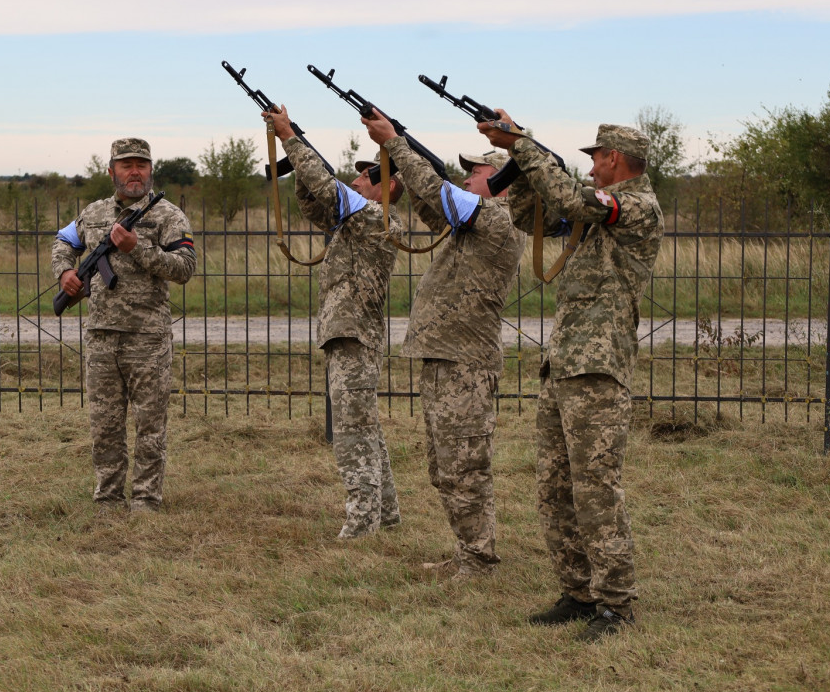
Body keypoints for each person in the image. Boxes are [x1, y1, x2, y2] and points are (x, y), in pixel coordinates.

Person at [478, 115, 663, 641]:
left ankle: (617, 605)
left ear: (616, 160)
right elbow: (530, 216)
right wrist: (519, 161)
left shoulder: (636, 207)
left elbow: (571, 203)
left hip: (598, 372)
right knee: (555, 487)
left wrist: (526, 145)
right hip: (564, 365)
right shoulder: (598, 208)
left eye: (596, 156)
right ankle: (578, 592)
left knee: (596, 489)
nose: (590, 164)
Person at [360, 109, 527, 577]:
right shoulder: (471, 222)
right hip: (444, 358)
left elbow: (438, 193)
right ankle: (467, 552)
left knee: (464, 464)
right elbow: (432, 202)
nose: (465, 178)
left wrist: (396, 144)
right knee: (445, 465)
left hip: (465, 364)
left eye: (475, 172)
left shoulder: (499, 222)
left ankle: (479, 560)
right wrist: (398, 154)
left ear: (503, 180)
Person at [263, 104, 402, 538]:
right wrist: (299, 154)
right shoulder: (353, 220)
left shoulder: (376, 221)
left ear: (388, 188)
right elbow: (313, 200)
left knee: (352, 431)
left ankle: (361, 524)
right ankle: (388, 513)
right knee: (365, 425)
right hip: (346, 333)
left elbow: (327, 185)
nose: (357, 180)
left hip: (354, 335)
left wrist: (289, 135)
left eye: (365, 176)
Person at [51, 138, 196, 513]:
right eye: (127, 164)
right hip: (101, 336)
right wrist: (66, 271)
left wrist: (138, 248)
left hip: (147, 338)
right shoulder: (94, 213)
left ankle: (146, 500)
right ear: (111, 170)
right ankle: (108, 499)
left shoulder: (169, 216)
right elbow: (64, 241)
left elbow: (185, 268)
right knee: (105, 425)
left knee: (150, 426)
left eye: (142, 165)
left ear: (151, 170)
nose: (135, 172)